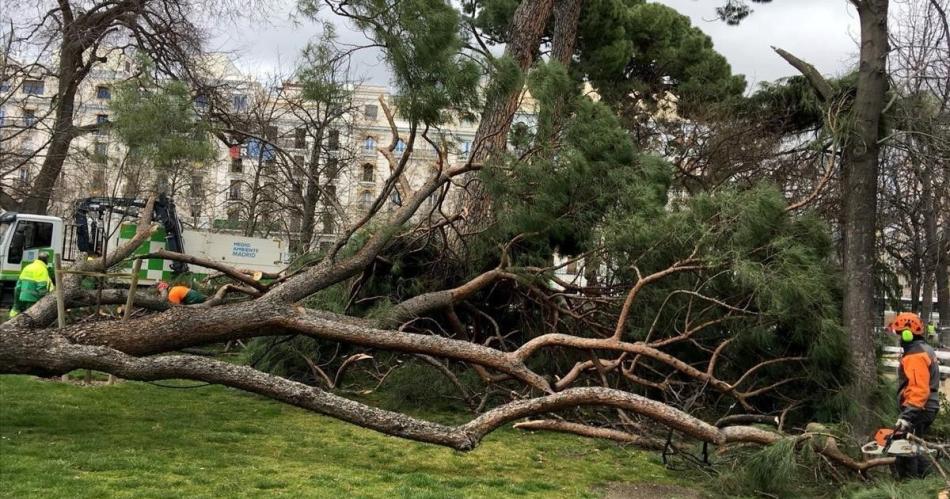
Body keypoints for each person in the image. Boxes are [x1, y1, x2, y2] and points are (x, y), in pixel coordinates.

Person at [889, 311, 940, 479]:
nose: (898, 337)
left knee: (905, 449)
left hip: (919, 408)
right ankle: (929, 482)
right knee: (912, 446)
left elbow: (919, 389)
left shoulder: (915, 355)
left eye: (899, 333)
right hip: (924, 407)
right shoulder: (923, 349)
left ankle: (911, 486)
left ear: (907, 333)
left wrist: (907, 416)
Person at [8, 254, 53, 318]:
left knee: (20, 319)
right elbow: (41, 288)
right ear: (46, 260)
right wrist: (43, 301)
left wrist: (16, 303)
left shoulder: (27, 267)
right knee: (30, 319)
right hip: (33, 300)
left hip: (22, 298)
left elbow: (18, 287)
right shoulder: (43, 269)